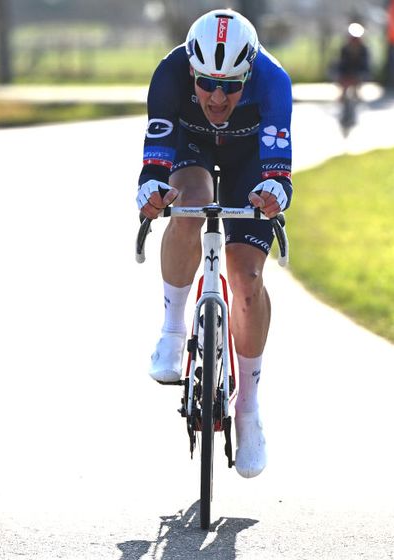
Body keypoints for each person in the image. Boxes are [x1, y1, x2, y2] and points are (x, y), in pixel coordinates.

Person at [135, 9, 293, 479]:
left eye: (231, 85)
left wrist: (274, 193)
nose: (218, 97)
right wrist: (150, 190)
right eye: (206, 84)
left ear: (250, 72)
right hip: (193, 148)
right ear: (191, 71)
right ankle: (171, 330)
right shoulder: (167, 74)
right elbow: (155, 156)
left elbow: (279, 168)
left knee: (246, 277)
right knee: (190, 203)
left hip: (251, 161)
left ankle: (247, 409)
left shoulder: (273, 81)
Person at [335, 23, 371, 108]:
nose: (354, 40)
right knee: (342, 80)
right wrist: (344, 77)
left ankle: (356, 96)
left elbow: (365, 66)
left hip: (359, 73)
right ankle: (343, 97)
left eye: (356, 38)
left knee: (357, 81)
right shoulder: (344, 49)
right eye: (352, 38)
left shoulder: (364, 50)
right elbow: (342, 64)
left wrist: (356, 76)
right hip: (346, 73)